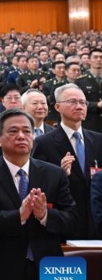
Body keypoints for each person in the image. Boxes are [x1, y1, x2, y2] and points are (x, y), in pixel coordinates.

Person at [0, 108, 79, 280]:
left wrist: (45, 215)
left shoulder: (54, 174)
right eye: (13, 131)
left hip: (51, 267)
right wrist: (18, 216)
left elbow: (73, 220)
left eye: (27, 131)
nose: (21, 136)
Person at [33, 83, 102, 239]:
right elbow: (37, 184)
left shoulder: (98, 140)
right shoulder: (44, 143)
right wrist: (60, 173)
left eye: (83, 102)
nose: (79, 106)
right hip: (63, 223)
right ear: (57, 107)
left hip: (95, 224)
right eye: (72, 102)